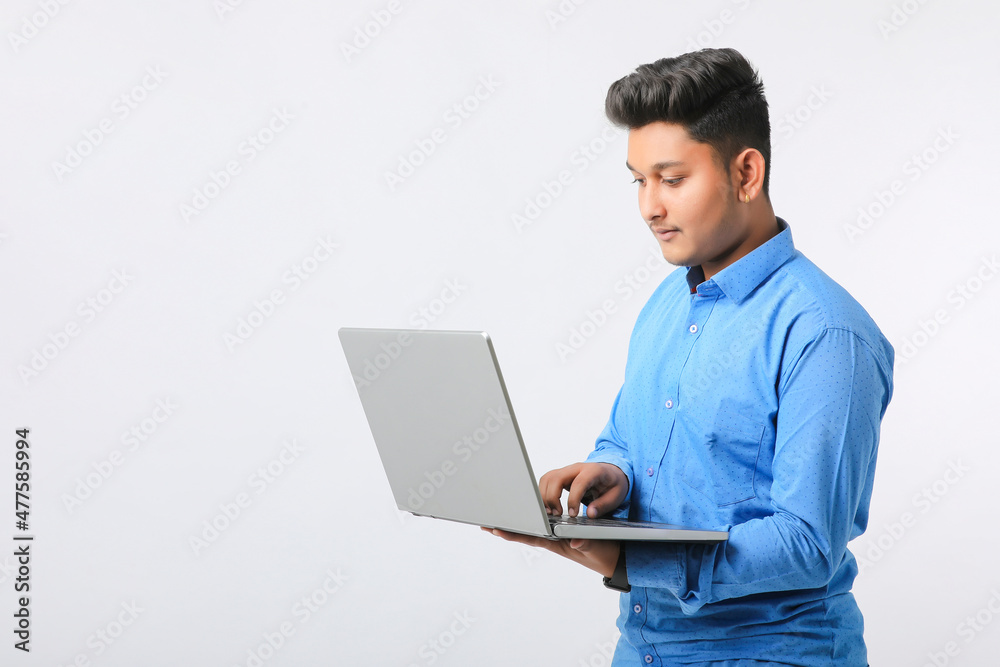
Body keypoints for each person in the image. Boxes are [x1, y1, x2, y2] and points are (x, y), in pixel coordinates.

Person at [484, 48, 893, 666]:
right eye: (638, 180)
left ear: (746, 174)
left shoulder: (826, 332)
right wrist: (610, 476)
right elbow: (628, 438)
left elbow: (808, 541)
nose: (650, 206)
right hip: (645, 648)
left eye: (672, 180)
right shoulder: (667, 306)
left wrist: (628, 559)